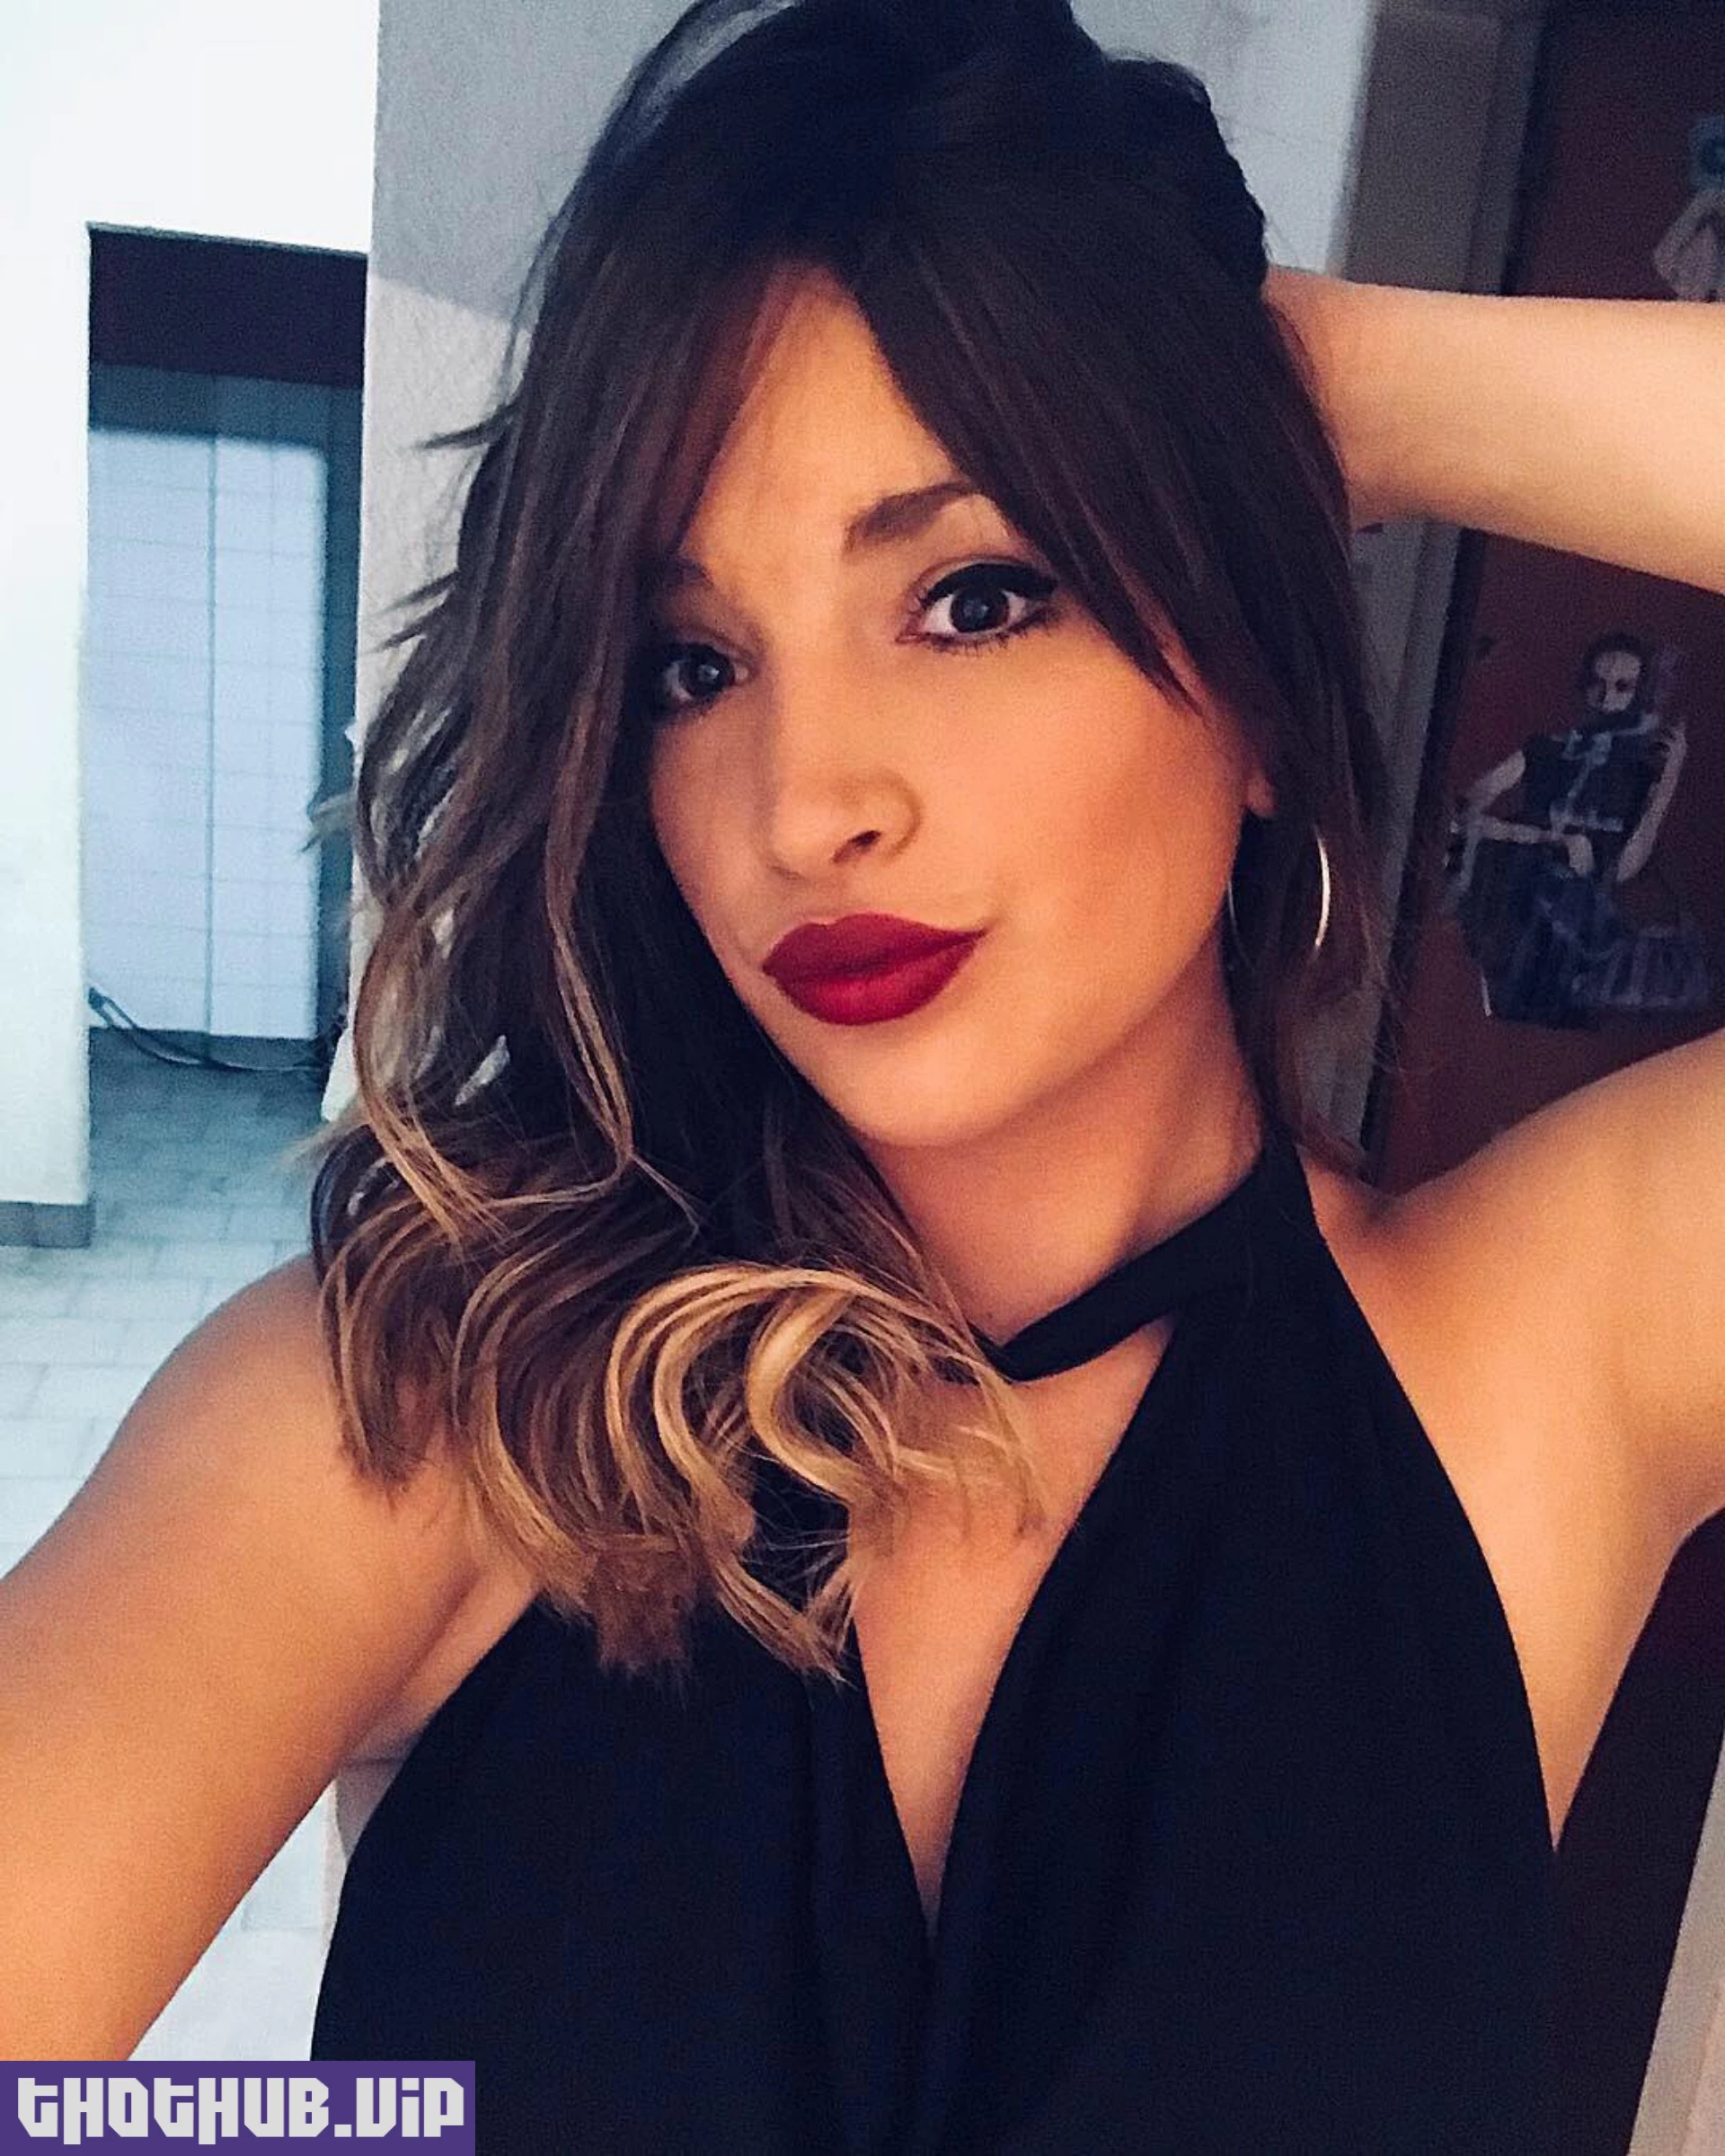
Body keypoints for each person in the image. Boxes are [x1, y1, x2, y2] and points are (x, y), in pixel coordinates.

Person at [3, 0, 1722, 2147]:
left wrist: (1305, 380)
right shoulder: (441, 1405)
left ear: (1265, 690)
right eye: (694, 663)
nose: (805, 801)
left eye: (977, 595)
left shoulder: (1543, 1363)